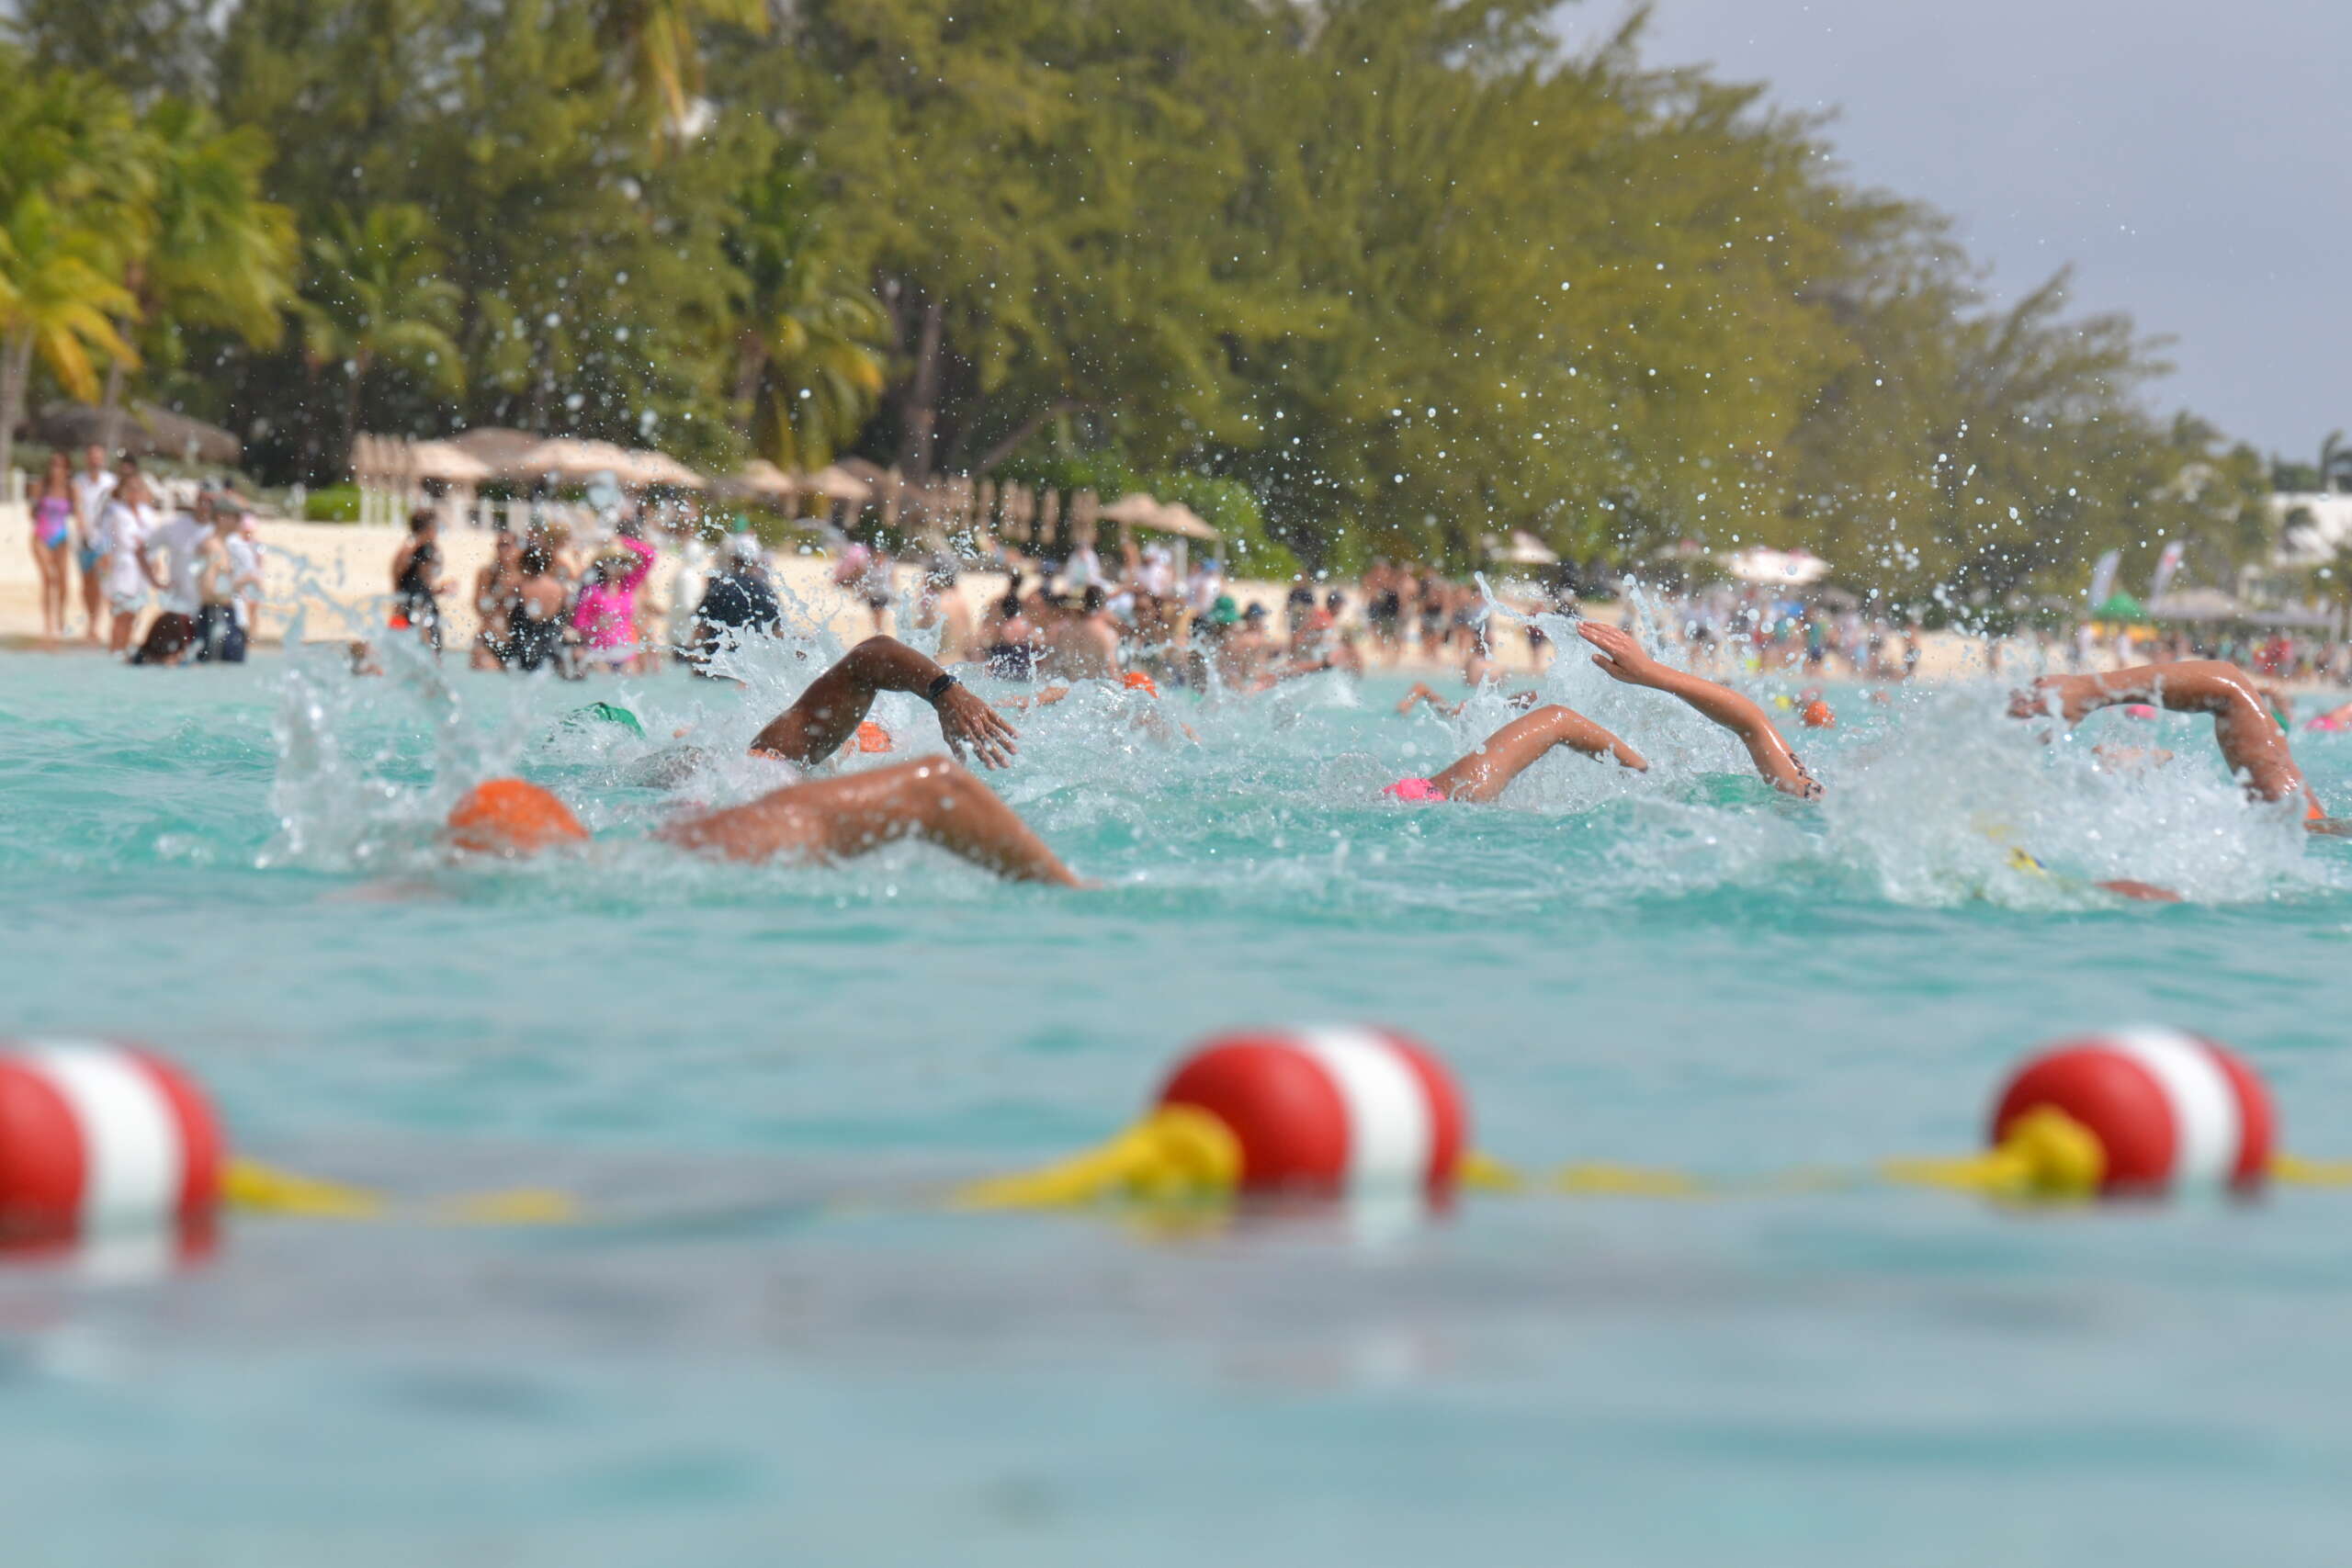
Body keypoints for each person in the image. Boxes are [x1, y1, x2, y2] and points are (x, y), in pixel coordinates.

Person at [449, 635, 1084, 886]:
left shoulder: (658, 850)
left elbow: (869, 659)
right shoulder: (763, 788)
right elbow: (936, 786)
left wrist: (948, 692)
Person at [130, 491, 217, 666]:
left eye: (210, 502)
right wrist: (156, 582)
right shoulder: (176, 527)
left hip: (208, 610)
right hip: (179, 609)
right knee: (157, 659)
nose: (205, 506)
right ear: (196, 502)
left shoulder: (219, 531)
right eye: (202, 501)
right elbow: (141, 550)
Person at [687, 534, 782, 672]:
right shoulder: (766, 591)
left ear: (732, 559)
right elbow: (777, 632)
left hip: (715, 666)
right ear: (756, 561)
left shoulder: (719, 587)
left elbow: (701, 628)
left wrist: (694, 660)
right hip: (748, 671)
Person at [96, 469, 158, 655]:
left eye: (139, 489)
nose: (135, 492)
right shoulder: (115, 511)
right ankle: (115, 650)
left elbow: (152, 540)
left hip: (142, 568)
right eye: (131, 488)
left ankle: (126, 650)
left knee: (135, 613)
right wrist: (104, 555)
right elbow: (104, 536)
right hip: (122, 565)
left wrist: (155, 562)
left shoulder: (148, 513)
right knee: (120, 613)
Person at [572, 530, 655, 671]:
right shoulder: (593, 592)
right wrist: (595, 624)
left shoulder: (628, 586)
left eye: (622, 562)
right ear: (603, 564)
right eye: (612, 561)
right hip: (599, 652)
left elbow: (650, 555)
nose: (617, 565)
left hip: (625, 651)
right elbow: (579, 623)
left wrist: (622, 540)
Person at [70, 445, 118, 642]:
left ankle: (109, 625)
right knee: (88, 584)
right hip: (84, 540)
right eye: (92, 457)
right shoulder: (78, 481)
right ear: (87, 459)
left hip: (105, 541)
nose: (95, 461)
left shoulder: (111, 482)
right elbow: (78, 507)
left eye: (99, 457)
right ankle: (92, 625)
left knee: (103, 583)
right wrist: (84, 530)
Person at [28, 452, 74, 640]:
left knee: (63, 581)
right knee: (49, 578)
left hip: (61, 537)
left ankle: (61, 617)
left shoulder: (71, 489)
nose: (56, 469)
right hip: (41, 536)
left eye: (60, 465)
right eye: (53, 464)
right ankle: (48, 622)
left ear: (66, 469)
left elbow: (79, 513)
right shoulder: (40, 486)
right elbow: (31, 511)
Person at [390, 511, 451, 650]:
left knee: (432, 651)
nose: (437, 532)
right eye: (436, 528)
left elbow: (424, 586)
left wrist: (439, 589)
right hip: (410, 610)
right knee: (427, 652)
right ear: (427, 529)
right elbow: (398, 584)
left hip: (425, 606)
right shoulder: (407, 550)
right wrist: (398, 611)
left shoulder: (430, 550)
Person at [470, 531, 523, 671]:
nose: (503, 550)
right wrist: (500, 593)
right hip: (489, 640)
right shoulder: (487, 574)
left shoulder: (525, 576)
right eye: (500, 545)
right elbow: (480, 608)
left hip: (516, 642)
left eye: (507, 545)